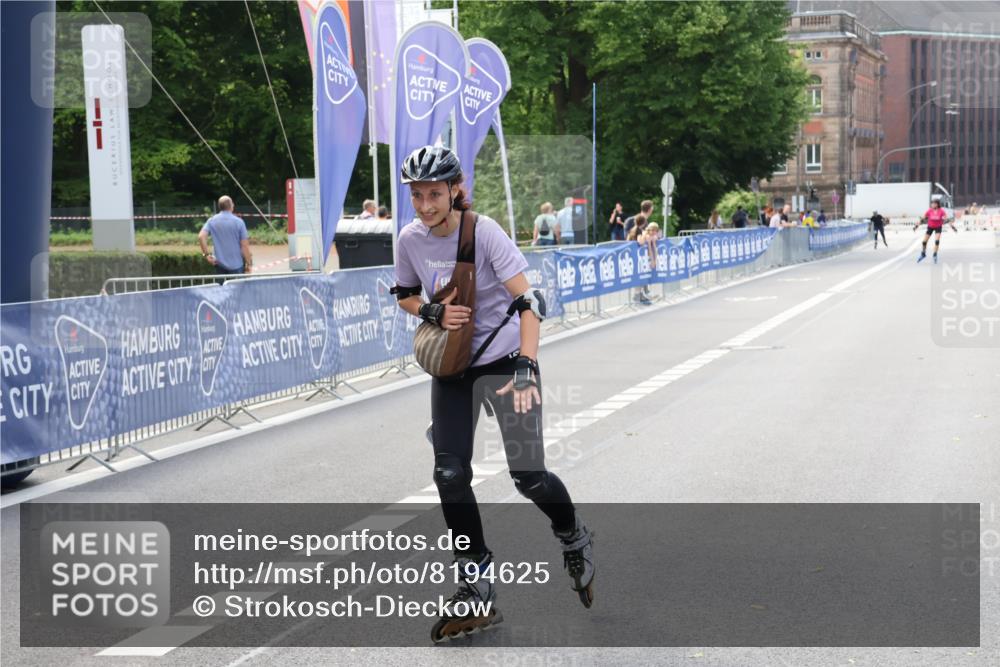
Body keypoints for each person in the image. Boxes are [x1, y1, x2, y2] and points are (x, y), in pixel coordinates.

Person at [390, 146, 595, 641]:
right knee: (449, 472)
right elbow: (405, 295)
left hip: (506, 365)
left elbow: (528, 301)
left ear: (455, 188)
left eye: (434, 193)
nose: (424, 205)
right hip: (455, 368)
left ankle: (573, 535)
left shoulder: (484, 232)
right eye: (416, 195)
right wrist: (432, 314)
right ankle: (476, 581)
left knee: (529, 477)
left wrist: (526, 366)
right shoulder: (409, 240)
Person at [199, 195, 252, 274]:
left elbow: (201, 236)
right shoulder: (239, 222)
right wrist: (249, 263)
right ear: (231, 205)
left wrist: (206, 255)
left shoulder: (211, 220)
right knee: (238, 286)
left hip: (219, 265)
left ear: (220, 207)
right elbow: (244, 245)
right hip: (237, 266)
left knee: (221, 286)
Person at [916, 198, 956, 263]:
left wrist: (952, 227)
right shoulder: (929, 211)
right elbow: (922, 219)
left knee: (937, 241)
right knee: (924, 241)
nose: (932, 205)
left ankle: (935, 254)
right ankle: (923, 253)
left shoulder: (941, 211)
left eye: (934, 203)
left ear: (937, 204)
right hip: (930, 227)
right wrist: (916, 225)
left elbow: (947, 220)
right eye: (932, 203)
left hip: (938, 227)